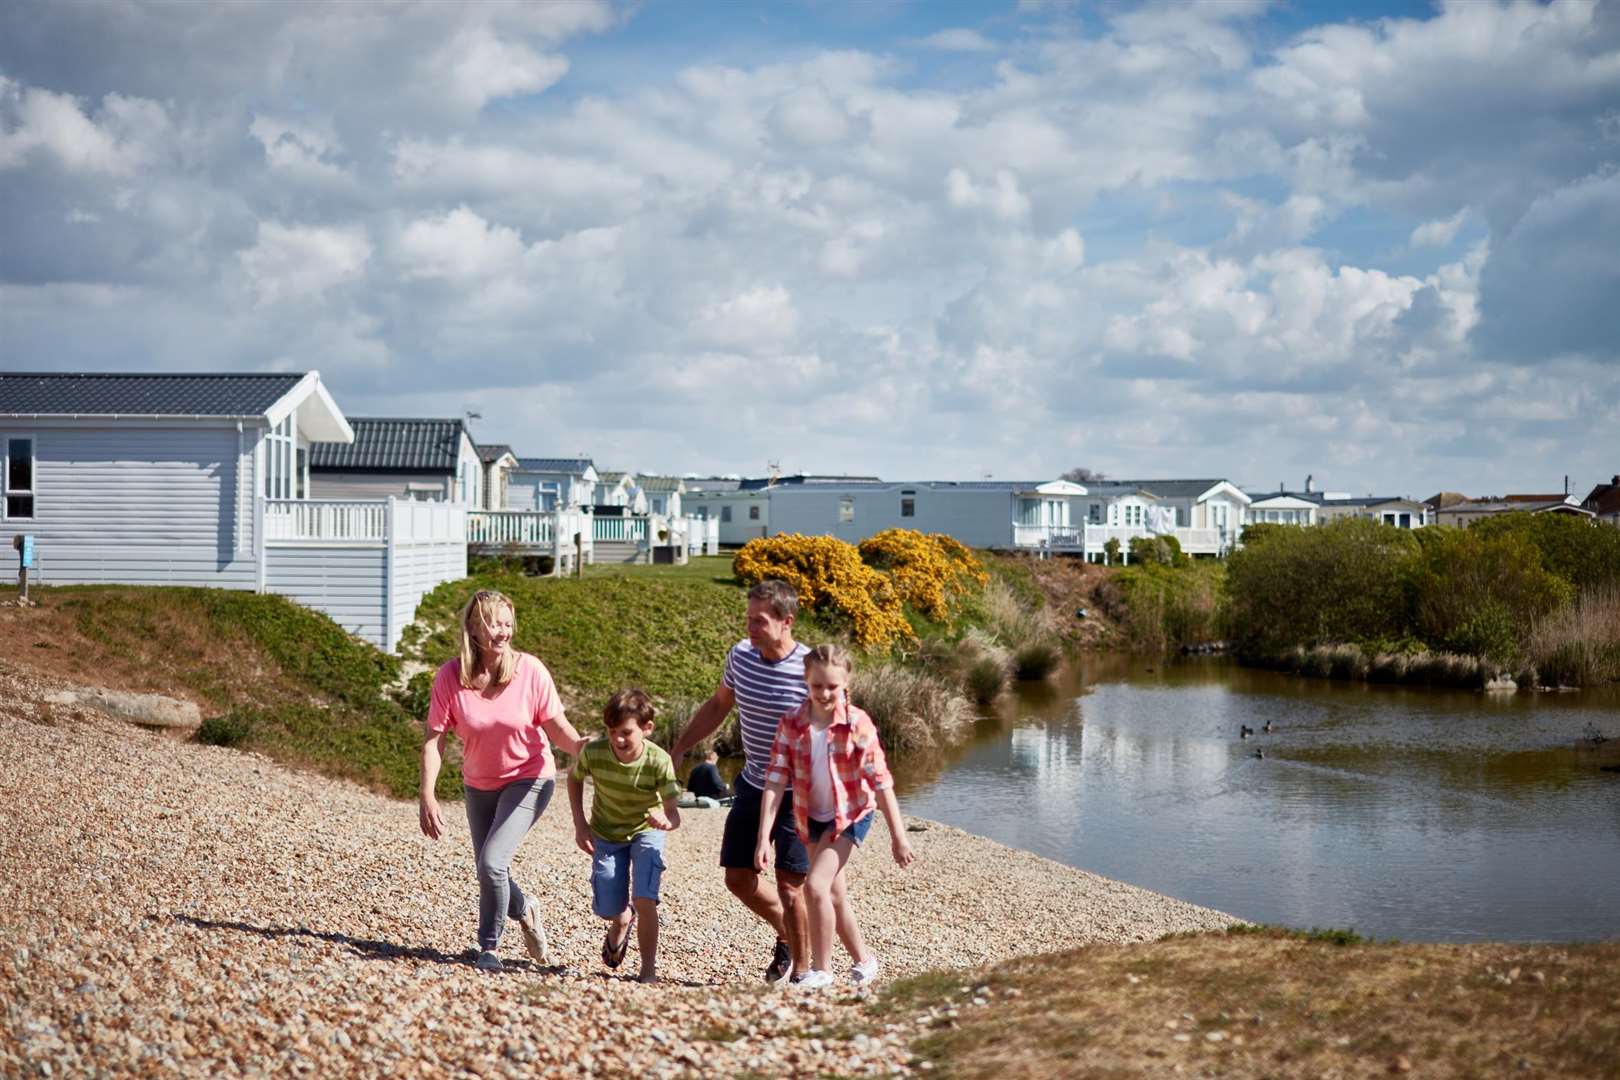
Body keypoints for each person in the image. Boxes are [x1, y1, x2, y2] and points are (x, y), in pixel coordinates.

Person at [418, 589, 589, 973]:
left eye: (508, 623)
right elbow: (434, 740)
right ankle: (525, 908)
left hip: (530, 777)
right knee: (488, 867)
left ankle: (489, 947)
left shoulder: (530, 671)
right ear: (474, 628)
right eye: (494, 623)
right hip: (478, 783)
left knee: (493, 862)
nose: (503, 631)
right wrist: (427, 795)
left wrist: (581, 747)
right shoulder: (450, 677)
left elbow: (556, 728)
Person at [671, 579, 811, 983]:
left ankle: (804, 974)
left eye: (760, 621)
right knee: (738, 877)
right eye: (748, 619)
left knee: (789, 884)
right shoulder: (741, 657)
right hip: (752, 783)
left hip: (798, 792)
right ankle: (789, 933)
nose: (750, 628)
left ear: (787, 621)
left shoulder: (808, 669)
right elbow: (718, 705)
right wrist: (681, 746)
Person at [755, 643, 915, 989]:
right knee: (834, 894)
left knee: (814, 886)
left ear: (846, 685)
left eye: (832, 687)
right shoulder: (792, 723)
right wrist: (762, 838)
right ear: (806, 682)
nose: (824, 693)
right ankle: (865, 960)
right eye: (817, 686)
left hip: (851, 814)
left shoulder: (857, 723)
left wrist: (898, 836)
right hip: (810, 816)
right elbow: (775, 779)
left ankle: (821, 970)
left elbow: (882, 782)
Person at [568, 689, 683, 984]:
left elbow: (674, 814)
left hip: (647, 831)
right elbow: (574, 777)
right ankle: (621, 920)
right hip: (606, 833)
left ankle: (648, 969)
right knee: (608, 907)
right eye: (611, 732)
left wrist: (665, 818)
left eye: (626, 733)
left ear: (647, 729)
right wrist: (580, 824)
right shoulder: (594, 752)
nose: (618, 739)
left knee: (646, 898)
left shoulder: (659, 761)